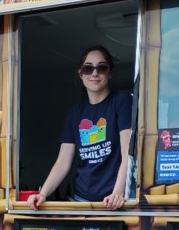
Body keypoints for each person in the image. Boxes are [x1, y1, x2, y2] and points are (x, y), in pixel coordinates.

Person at [26, 45, 133, 211]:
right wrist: (43, 194)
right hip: (80, 199)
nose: (95, 73)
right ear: (80, 74)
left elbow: (127, 152)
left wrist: (118, 193)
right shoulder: (75, 113)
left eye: (102, 67)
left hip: (113, 201)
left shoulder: (121, 101)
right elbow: (63, 162)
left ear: (110, 72)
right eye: (88, 68)